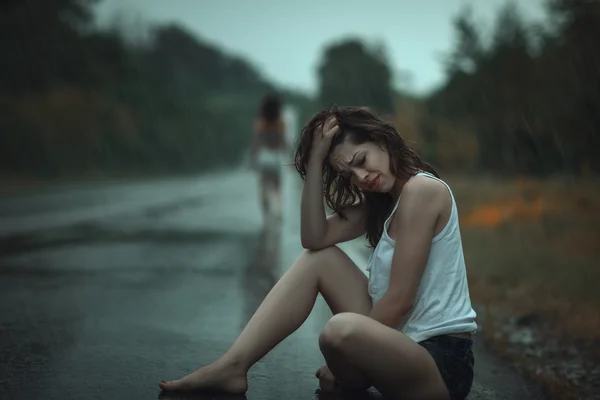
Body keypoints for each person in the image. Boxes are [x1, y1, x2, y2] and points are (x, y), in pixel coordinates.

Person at [159, 106, 478, 400]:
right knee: (320, 260)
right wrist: (315, 161)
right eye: (349, 175)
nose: (361, 178)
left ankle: (352, 364)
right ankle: (232, 367)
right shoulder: (383, 205)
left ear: (381, 140)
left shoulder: (423, 191)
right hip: (396, 346)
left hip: (439, 364)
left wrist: (349, 347)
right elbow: (314, 238)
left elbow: (400, 299)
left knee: (338, 331)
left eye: (361, 161)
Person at [250, 93, 287, 220]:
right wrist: (291, 156)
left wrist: (252, 158)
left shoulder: (260, 122)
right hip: (276, 157)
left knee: (263, 186)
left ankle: (266, 215)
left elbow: (256, 141)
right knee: (277, 188)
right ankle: (278, 212)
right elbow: (283, 141)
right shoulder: (280, 122)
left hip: (264, 157)